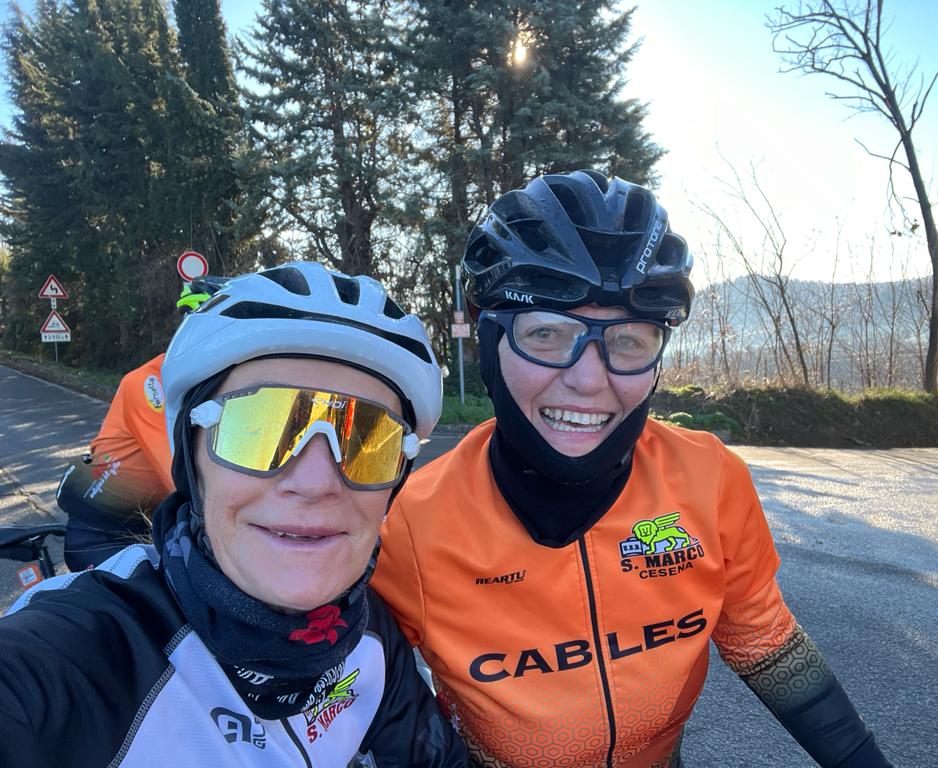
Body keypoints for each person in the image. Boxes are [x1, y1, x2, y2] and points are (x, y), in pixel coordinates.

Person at [372, 170, 892, 767]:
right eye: (547, 333)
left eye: (629, 340)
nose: (589, 380)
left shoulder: (709, 479)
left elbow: (762, 638)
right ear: (488, 342)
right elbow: (354, 690)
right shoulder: (410, 523)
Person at [0, 262, 467, 767]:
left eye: (368, 441)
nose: (315, 484)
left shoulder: (371, 633)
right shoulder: (66, 660)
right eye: (255, 427)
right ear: (193, 461)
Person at [57, 277, 224, 570]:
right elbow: (185, 485)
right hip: (103, 533)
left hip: (146, 526)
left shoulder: (210, 388)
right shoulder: (150, 384)